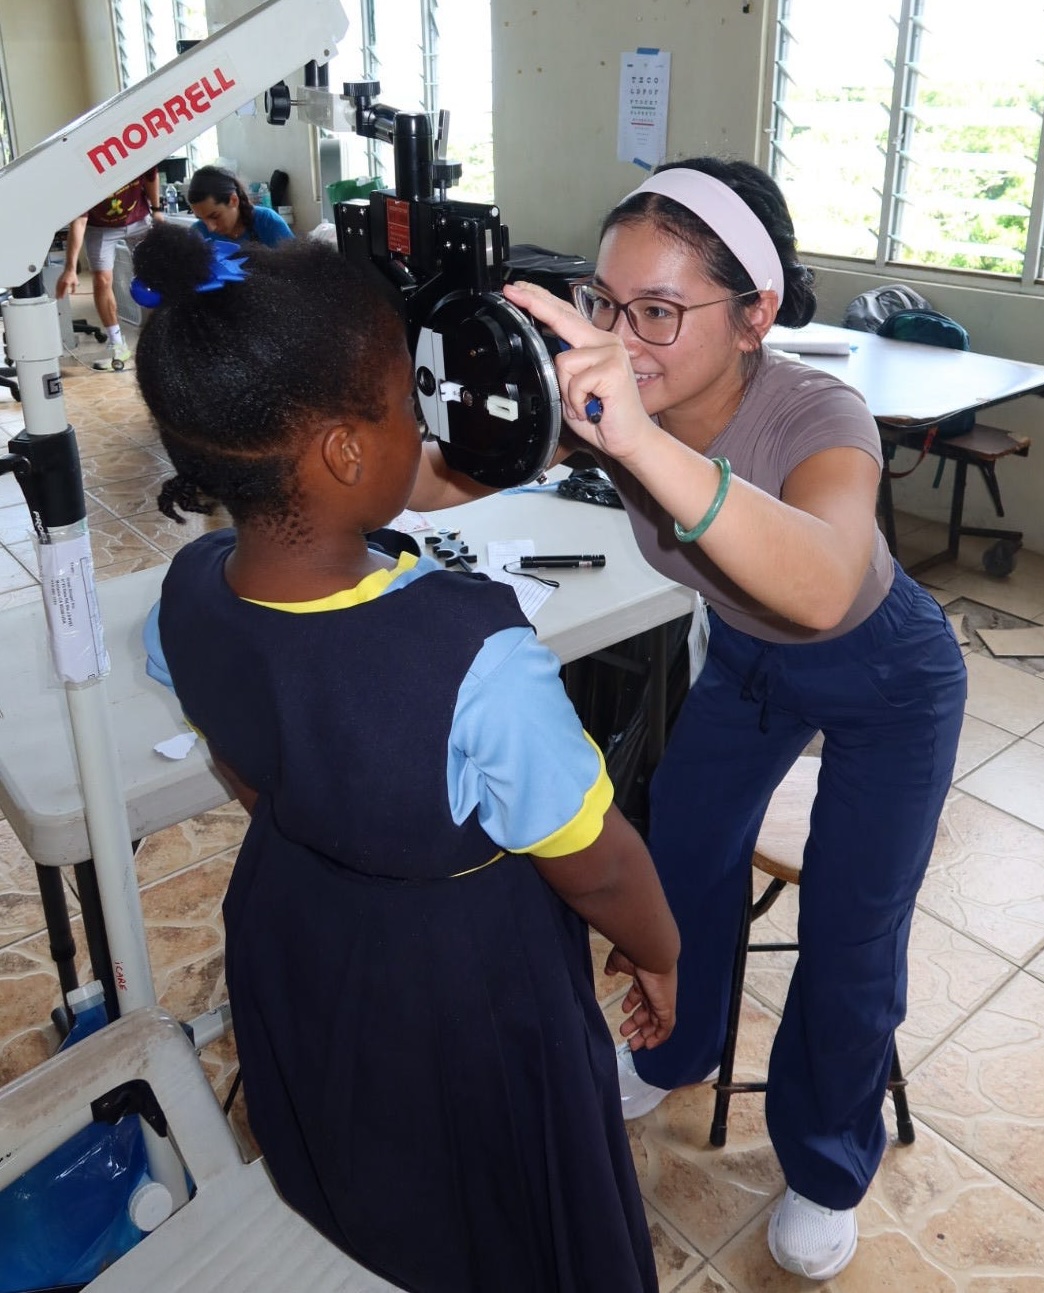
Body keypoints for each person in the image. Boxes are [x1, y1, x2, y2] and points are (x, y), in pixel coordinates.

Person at [410, 157, 968, 1281]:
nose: (623, 338)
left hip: (886, 681)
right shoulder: (619, 399)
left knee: (852, 934)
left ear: (754, 315)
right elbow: (448, 481)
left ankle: (820, 1163)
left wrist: (637, 442)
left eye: (659, 311)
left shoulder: (818, 414)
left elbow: (816, 581)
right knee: (679, 864)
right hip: (752, 666)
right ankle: (681, 1050)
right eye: (608, 305)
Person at [132, 222, 678, 1293]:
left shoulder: (187, 592)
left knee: (365, 1174)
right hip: (461, 984)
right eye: (402, 406)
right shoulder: (472, 654)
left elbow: (253, 762)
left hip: (296, 936)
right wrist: (655, 947)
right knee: (500, 1204)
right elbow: (596, 860)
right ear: (343, 450)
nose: (421, 425)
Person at [56, 169, 163, 370]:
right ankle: (117, 346)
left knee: (154, 274)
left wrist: (157, 209)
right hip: (100, 228)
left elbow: (150, 176)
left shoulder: (130, 156)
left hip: (139, 220)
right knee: (101, 281)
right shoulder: (85, 176)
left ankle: (160, 339)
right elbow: (79, 222)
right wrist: (70, 268)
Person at [186, 165, 295, 246]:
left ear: (234, 200)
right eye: (201, 219)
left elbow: (295, 268)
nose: (210, 228)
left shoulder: (267, 222)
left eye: (214, 216)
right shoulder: (198, 233)